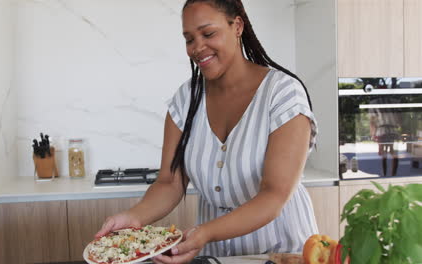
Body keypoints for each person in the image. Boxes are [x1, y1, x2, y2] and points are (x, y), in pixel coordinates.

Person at [95, 0, 318, 263]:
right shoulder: (186, 99)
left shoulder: (282, 94)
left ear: (237, 26)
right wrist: (133, 217)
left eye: (208, 33)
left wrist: (205, 233)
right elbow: (170, 182)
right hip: (215, 253)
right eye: (189, 39)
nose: (197, 47)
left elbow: (274, 193)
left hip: (282, 250)